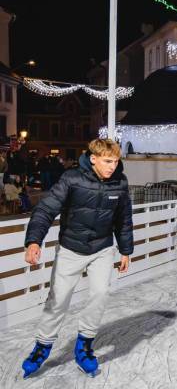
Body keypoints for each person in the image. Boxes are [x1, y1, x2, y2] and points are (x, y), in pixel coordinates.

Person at [21, 139, 133, 378]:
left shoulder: (120, 183)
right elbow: (46, 209)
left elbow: (123, 219)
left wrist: (126, 250)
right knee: (58, 299)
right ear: (93, 158)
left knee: (101, 293)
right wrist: (33, 241)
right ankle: (42, 346)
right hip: (71, 248)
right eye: (107, 161)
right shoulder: (72, 179)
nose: (112, 166)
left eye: (115, 161)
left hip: (102, 248)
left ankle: (84, 346)